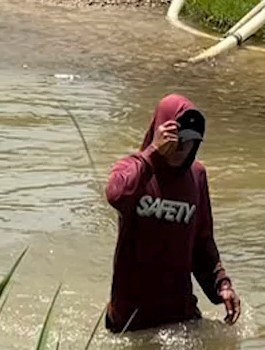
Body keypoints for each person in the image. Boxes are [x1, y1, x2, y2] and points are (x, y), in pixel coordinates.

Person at [103, 94, 240, 333]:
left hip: (180, 314)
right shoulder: (134, 170)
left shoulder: (196, 177)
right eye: (176, 141)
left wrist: (222, 285)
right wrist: (153, 153)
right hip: (132, 319)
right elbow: (116, 195)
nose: (182, 149)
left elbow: (202, 242)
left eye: (190, 142)